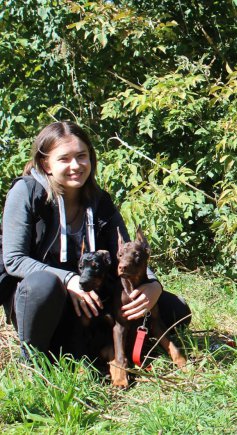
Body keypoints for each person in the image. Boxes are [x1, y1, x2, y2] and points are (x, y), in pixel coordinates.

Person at [1, 121, 191, 361]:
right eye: (64, 159)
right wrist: (68, 280)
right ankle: (35, 359)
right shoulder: (26, 192)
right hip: (46, 299)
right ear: (45, 164)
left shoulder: (100, 201)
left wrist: (153, 284)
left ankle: (105, 349)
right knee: (43, 284)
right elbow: (14, 260)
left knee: (175, 310)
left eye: (82, 156)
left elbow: (127, 250)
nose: (76, 165)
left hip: (92, 296)